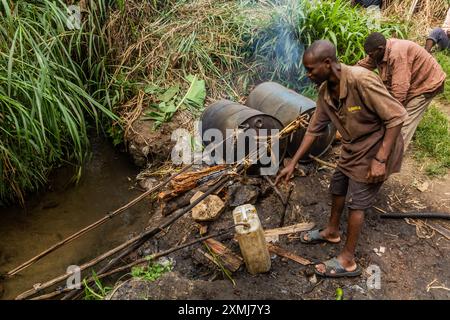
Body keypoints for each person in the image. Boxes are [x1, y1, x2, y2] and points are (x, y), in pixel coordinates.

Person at [275, 40, 407, 278]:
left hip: (377, 147)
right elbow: (314, 129)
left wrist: (380, 160)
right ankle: (332, 231)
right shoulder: (325, 92)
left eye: (311, 69)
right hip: (353, 147)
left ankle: (347, 260)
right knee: (337, 185)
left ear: (327, 63)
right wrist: (292, 162)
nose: (308, 74)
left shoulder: (361, 80)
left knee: (357, 202)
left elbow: (396, 117)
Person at [357, 33, 446, 150]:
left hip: (427, 83)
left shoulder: (397, 54)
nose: (370, 57)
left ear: (380, 49)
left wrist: (391, 117)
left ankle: (391, 158)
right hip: (411, 80)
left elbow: (399, 92)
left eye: (371, 54)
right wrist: (344, 74)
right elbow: (362, 66)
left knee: (402, 124)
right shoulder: (379, 51)